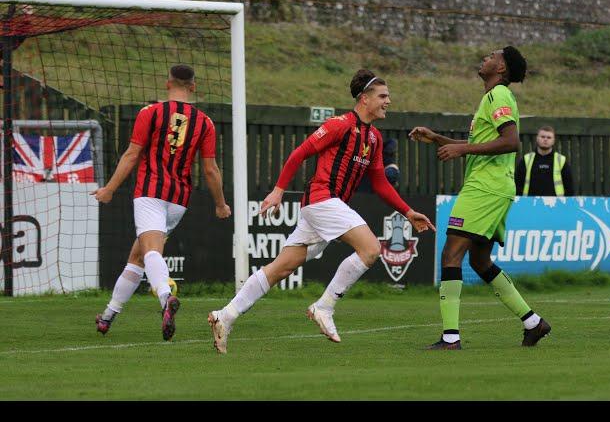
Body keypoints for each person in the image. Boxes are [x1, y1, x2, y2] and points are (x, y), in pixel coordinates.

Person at [208, 69, 435, 354]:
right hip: (322, 200)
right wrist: (278, 190)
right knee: (371, 249)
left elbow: (379, 182)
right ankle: (324, 307)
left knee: (282, 267)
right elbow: (299, 153)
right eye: (383, 96)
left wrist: (407, 211)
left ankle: (225, 316)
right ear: (364, 98)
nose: (388, 101)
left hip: (328, 207)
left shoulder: (375, 138)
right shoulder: (340, 124)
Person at [409, 46, 551, 350]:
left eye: (492, 56)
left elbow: (510, 142)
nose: (485, 57)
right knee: (480, 260)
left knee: (451, 255)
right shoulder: (492, 98)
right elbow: (483, 143)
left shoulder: (498, 96)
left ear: (501, 69)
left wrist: (462, 149)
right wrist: (438, 138)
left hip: (485, 188)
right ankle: (533, 322)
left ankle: (450, 338)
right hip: (494, 187)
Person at [92, 64, 231, 341]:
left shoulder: (150, 113)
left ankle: (166, 297)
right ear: (193, 86)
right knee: (138, 256)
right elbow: (211, 169)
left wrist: (109, 189)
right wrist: (220, 204)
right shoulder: (205, 122)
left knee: (151, 250)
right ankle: (107, 316)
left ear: (168, 83)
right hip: (178, 200)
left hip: (150, 192)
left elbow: (132, 155)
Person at [515, 125, 574, 196]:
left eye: (549, 137)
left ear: (553, 140)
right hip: (530, 204)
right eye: (542, 137)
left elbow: (569, 188)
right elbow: (518, 185)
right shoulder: (526, 159)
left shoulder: (561, 160)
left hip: (555, 205)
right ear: (537, 138)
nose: (545, 139)